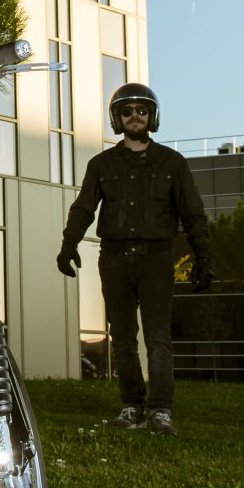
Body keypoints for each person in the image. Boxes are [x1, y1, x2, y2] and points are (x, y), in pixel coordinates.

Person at [56, 82, 211, 436]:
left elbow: (193, 213)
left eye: (142, 111)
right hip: (113, 259)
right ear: (118, 118)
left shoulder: (173, 163)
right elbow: (83, 209)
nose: (135, 117)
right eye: (128, 111)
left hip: (156, 259)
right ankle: (131, 406)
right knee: (122, 337)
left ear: (152, 116)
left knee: (158, 338)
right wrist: (68, 246)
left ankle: (160, 411)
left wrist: (203, 255)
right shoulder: (101, 164)